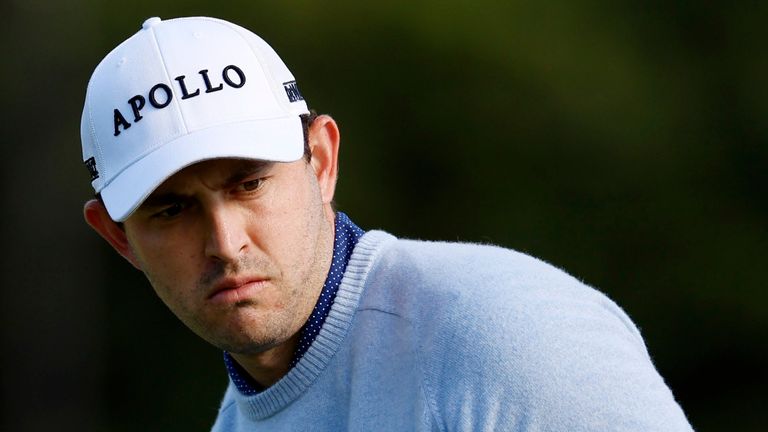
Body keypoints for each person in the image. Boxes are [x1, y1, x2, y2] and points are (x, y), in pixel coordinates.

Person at [80, 16, 694, 431]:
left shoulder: (507, 336)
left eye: (250, 183)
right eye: (172, 209)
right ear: (119, 239)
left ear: (321, 162)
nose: (226, 242)